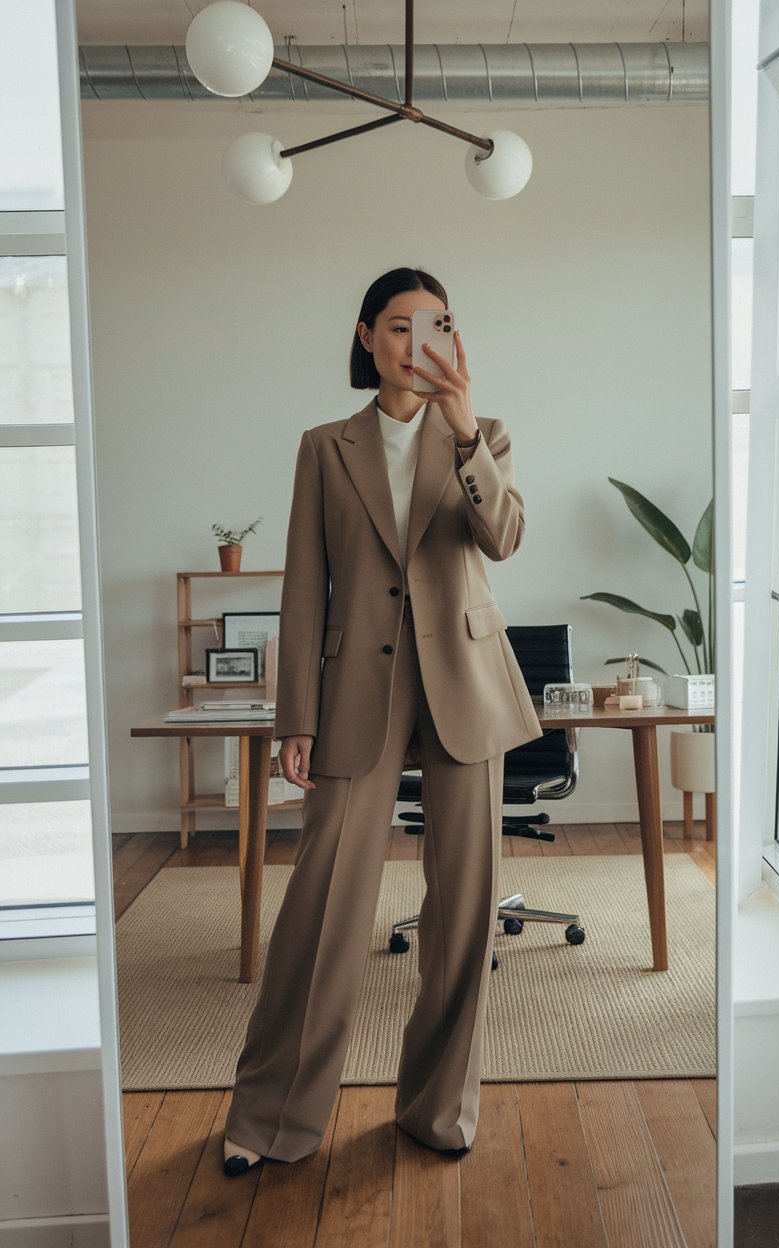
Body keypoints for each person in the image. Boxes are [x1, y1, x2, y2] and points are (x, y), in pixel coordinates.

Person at [222, 266, 541, 1175]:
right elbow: (302, 588)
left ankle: (438, 1110)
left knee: (465, 910)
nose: (416, 342)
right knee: (322, 904)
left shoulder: (485, 437)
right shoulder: (324, 447)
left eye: (434, 324)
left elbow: (505, 538)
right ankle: (273, 1117)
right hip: (356, 689)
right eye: (398, 326)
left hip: (466, 683)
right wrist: (297, 715)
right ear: (367, 338)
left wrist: (466, 429)